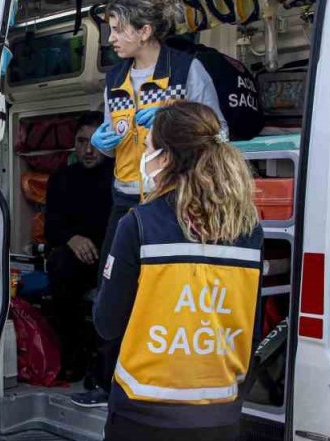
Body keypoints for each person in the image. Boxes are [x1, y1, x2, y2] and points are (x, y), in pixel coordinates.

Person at [89, 102, 263, 441]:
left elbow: (105, 322)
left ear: (163, 156)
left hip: (143, 413)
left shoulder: (141, 222)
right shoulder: (249, 229)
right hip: (215, 417)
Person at [90, 0, 228, 391]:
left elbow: (219, 133)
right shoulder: (114, 78)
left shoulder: (186, 70)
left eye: (118, 29)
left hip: (175, 198)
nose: (111, 38)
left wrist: (177, 114)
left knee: (169, 291)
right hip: (126, 199)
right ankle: (109, 382)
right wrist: (103, 144)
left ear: (145, 31)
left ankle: (171, 380)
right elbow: (111, 135)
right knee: (113, 288)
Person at [44, 111, 115, 406]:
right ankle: (73, 356)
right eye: (82, 141)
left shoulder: (119, 178)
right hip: (77, 257)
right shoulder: (62, 178)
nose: (88, 149)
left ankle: (104, 367)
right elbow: (51, 227)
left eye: (96, 142)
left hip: (112, 256)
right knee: (59, 267)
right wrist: (72, 239)